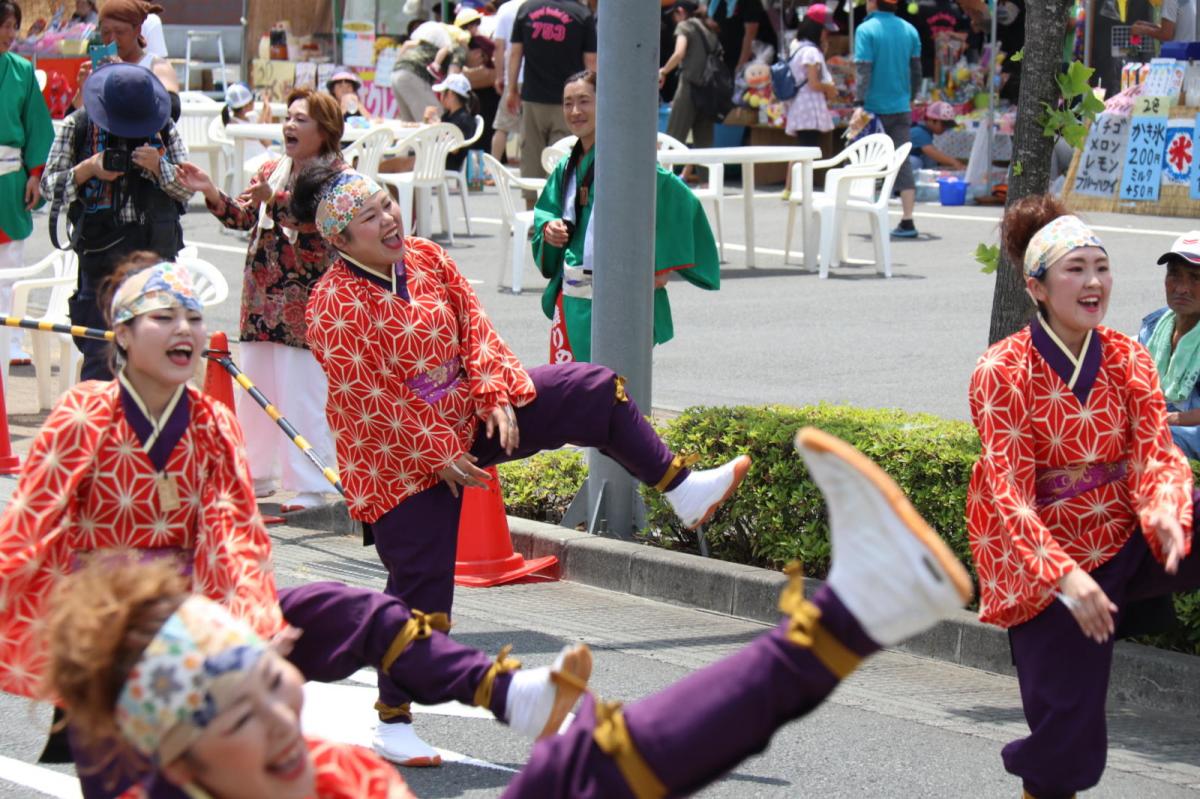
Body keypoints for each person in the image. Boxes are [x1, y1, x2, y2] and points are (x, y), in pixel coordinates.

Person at [44, 426, 975, 799]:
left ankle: (856, 610)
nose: (280, 715)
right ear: (175, 760)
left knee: (576, 763)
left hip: (226, 587)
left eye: (270, 683)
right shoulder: (85, 419)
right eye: (238, 717)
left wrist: (245, 598)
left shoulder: (335, 773)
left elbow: (237, 523)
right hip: (394, 474)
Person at [0, 256, 590, 790]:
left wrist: (253, 617)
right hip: (110, 635)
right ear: (123, 335)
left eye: (194, 318)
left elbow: (234, 532)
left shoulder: (210, 422)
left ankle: (509, 693)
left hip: (202, 616)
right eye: (163, 318)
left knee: (366, 615)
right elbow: (27, 531)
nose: (184, 329)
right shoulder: (82, 416)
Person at [294, 163, 748, 763]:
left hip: (472, 412)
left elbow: (474, 327)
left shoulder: (426, 256)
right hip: (398, 459)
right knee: (421, 595)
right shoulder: (332, 303)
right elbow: (366, 396)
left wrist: (492, 390)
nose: (389, 219)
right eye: (369, 217)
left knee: (590, 389)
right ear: (342, 240)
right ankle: (393, 718)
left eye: (387, 204)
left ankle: (681, 487)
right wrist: (437, 450)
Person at [966, 195, 1200, 799]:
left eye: (1102, 267)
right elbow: (1008, 494)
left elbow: (1156, 452)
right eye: (1076, 269)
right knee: (1068, 742)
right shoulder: (1002, 370)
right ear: (1037, 288)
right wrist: (1066, 578)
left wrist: (1167, 508)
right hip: (1044, 564)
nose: (1094, 281)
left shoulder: (1127, 356)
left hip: (1125, 533)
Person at [174, 89, 340, 513]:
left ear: (324, 131)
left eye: (301, 119)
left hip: (306, 302)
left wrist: (275, 199)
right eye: (288, 117)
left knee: (301, 393)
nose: (289, 126)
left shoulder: (337, 176)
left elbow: (319, 220)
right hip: (262, 297)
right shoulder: (272, 169)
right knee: (254, 390)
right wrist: (210, 190)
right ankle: (257, 473)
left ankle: (310, 484)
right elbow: (244, 216)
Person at [533, 70, 720, 364]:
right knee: (568, 386)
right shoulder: (565, 167)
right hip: (570, 297)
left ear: (604, 102)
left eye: (584, 101)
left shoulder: (626, 161)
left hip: (617, 296)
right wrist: (548, 229)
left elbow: (678, 199)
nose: (575, 111)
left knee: (614, 383)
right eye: (568, 103)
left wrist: (659, 265)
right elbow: (547, 212)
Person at [40, 62, 191, 381]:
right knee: (100, 362)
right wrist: (88, 169)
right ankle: (100, 415)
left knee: (155, 362)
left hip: (154, 263)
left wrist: (159, 168)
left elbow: (189, 188)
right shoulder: (78, 125)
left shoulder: (164, 128)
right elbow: (48, 187)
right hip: (100, 264)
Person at [0, 0, 54, 366]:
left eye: (12, 26)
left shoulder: (21, 71)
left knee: (11, 267)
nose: (9, 33)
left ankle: (11, 341)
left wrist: (35, 175)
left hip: (10, 178)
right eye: (3, 25)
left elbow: (37, 126)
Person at [505, 0, 596, 197]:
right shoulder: (581, 14)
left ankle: (532, 212)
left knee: (531, 160)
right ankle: (558, 209)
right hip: (568, 102)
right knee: (561, 160)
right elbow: (591, 62)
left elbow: (515, 54)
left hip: (533, 98)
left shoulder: (526, 9)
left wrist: (511, 89)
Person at [853, 0, 921, 238]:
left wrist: (858, 103)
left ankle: (873, 217)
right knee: (902, 161)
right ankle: (908, 219)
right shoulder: (909, 29)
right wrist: (911, 97)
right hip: (901, 106)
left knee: (868, 163)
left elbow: (863, 70)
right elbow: (916, 70)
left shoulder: (865, 30)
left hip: (872, 109)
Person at [1139, 233, 1200, 461]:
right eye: (1174, 274)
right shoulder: (1153, 327)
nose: (1182, 288)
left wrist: (1168, 419)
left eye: (1195, 277)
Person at [73, 0, 179, 111]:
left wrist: (125, 76)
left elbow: (172, 109)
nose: (112, 39)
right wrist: (83, 91)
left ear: (137, 30)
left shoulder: (157, 66)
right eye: (106, 32)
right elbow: (74, 118)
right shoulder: (101, 69)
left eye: (120, 32)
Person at [780, 3, 838, 201]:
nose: (826, 34)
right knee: (807, 150)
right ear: (816, 29)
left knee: (802, 148)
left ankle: (790, 188)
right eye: (824, 30)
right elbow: (814, 83)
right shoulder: (812, 52)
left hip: (799, 106)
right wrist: (829, 88)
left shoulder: (797, 46)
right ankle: (800, 190)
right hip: (809, 107)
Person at [382, 73, 478, 176]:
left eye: (442, 93)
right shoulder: (450, 115)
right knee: (390, 166)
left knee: (389, 167)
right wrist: (428, 121)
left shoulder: (464, 119)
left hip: (444, 165)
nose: (440, 97)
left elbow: (455, 148)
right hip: (434, 160)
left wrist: (438, 127)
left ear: (450, 94)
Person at [658, 0, 720, 152]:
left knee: (673, 138)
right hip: (708, 90)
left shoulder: (685, 26)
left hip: (689, 87)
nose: (674, 19)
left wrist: (664, 71)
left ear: (680, 11)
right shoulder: (709, 28)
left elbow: (679, 53)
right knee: (704, 145)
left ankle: (665, 168)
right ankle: (705, 169)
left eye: (674, 15)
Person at [391, 20, 469, 122]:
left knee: (410, 123)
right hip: (414, 73)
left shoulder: (429, 42)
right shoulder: (458, 49)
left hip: (396, 72)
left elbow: (406, 45)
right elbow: (452, 79)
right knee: (434, 118)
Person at [490, 0, 526, 166]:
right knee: (532, 128)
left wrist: (499, 76)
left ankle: (493, 167)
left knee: (502, 126)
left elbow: (499, 46)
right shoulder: (537, 6)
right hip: (535, 77)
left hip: (513, 76)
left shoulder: (506, 9)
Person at [707, 0, 775, 74]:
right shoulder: (714, 2)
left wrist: (740, 69)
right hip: (729, 58)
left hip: (754, 61)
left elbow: (750, 35)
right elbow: (717, 23)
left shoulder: (749, 2)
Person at [909, 100, 964, 171]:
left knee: (930, 159)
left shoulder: (926, 130)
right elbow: (932, 152)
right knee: (916, 162)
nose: (945, 129)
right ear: (932, 120)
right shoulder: (918, 131)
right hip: (904, 161)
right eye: (944, 125)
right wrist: (953, 162)